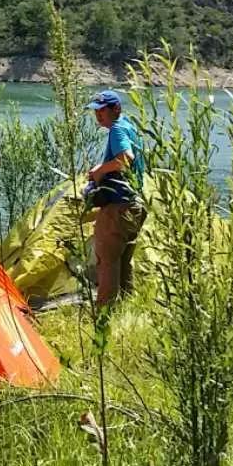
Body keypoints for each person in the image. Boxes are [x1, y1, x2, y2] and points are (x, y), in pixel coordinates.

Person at [84, 88, 147, 309]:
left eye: (102, 110)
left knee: (107, 261)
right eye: (96, 111)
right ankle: (125, 308)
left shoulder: (117, 130)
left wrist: (100, 170)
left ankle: (105, 313)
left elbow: (125, 159)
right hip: (136, 204)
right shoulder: (130, 127)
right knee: (123, 260)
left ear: (116, 109)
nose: (98, 115)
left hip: (119, 206)